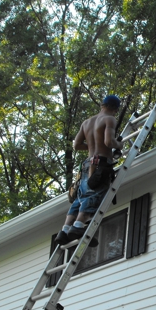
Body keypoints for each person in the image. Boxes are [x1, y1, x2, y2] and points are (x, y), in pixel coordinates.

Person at [55, 95, 125, 246]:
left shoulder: (86, 122)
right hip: (100, 163)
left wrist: (93, 145)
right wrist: (120, 145)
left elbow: (77, 145)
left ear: (102, 105)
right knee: (94, 194)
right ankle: (78, 226)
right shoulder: (109, 119)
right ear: (115, 109)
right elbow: (108, 142)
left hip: (87, 164)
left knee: (80, 198)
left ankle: (65, 230)